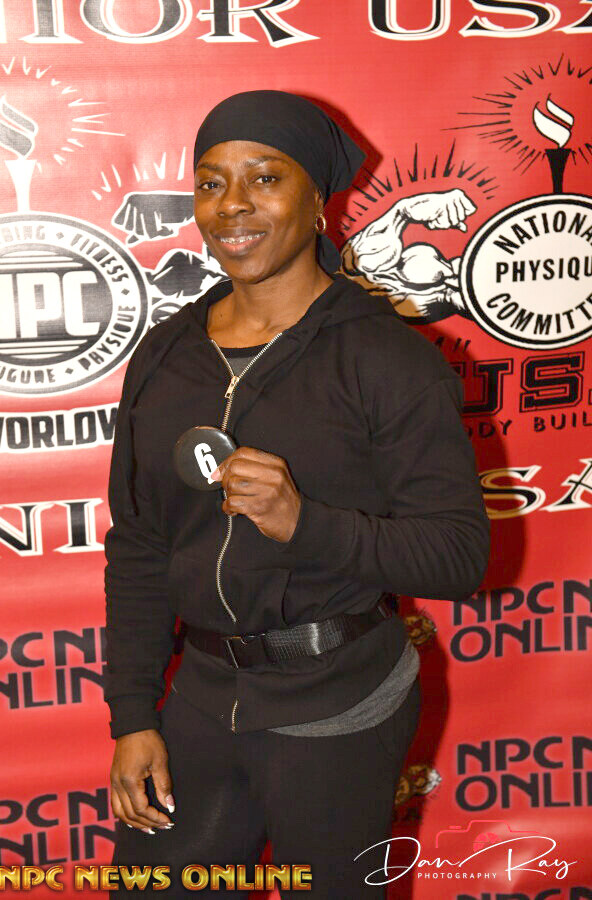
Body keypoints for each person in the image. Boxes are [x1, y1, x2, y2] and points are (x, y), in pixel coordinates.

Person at [103, 90, 490, 898]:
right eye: (211, 183)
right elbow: (139, 547)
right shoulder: (166, 356)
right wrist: (134, 716)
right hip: (201, 702)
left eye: (265, 177)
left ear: (318, 200)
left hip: (340, 703)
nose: (232, 205)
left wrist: (303, 523)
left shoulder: (386, 358)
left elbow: (459, 557)